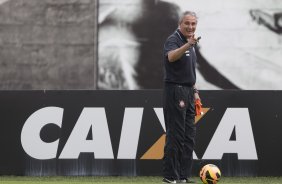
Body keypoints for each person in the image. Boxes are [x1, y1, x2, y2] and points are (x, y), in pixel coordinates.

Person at [162, 11, 200, 183]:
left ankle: (183, 177)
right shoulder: (174, 39)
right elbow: (171, 57)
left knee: (188, 137)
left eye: (193, 24)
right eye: (187, 23)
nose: (190, 27)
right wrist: (188, 45)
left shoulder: (190, 43)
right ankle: (170, 178)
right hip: (176, 91)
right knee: (176, 135)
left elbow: (190, 73)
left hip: (189, 92)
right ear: (180, 23)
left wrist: (196, 93)